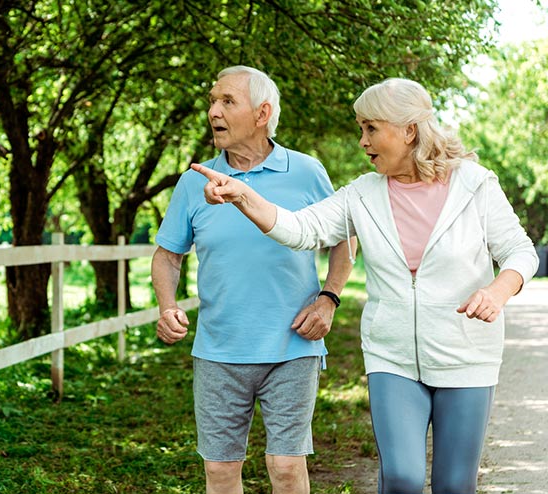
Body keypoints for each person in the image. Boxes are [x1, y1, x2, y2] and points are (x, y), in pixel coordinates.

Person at [191, 77, 540, 493]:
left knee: (453, 484)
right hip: (390, 358)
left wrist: (498, 290)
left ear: (409, 130)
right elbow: (301, 228)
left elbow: (521, 251)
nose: (362, 141)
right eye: (361, 129)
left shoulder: (475, 184)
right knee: (402, 477)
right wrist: (243, 196)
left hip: (466, 355)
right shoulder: (362, 194)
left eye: (371, 129)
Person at [151, 65, 354, 494]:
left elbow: (343, 240)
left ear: (262, 114)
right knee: (221, 472)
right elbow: (168, 256)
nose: (213, 111)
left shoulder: (306, 171)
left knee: (284, 465)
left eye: (227, 101)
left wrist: (328, 299)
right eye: (212, 101)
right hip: (219, 350)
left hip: (292, 345)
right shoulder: (194, 181)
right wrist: (167, 305)